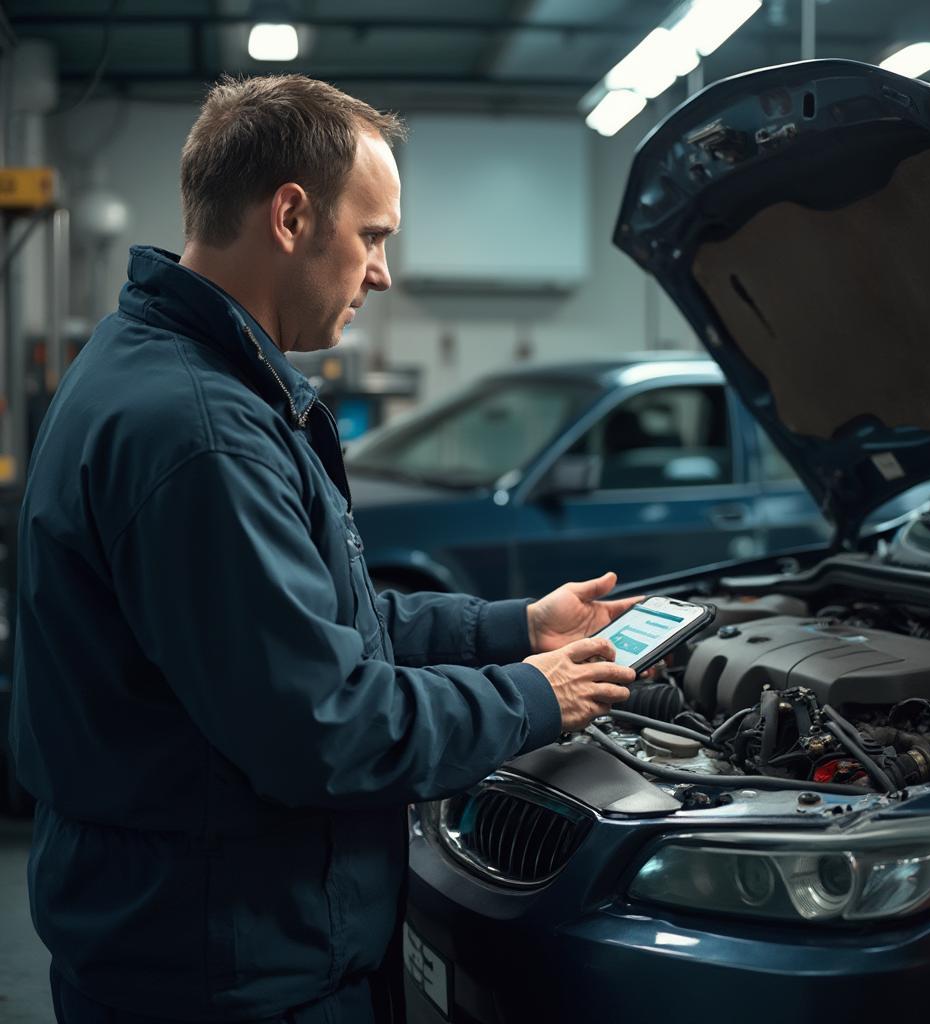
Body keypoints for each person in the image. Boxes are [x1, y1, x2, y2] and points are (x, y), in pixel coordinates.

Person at [10, 74, 640, 1024]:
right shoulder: (202, 432)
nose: (382, 272)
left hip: (200, 931)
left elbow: (325, 622)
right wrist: (530, 698)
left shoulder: (161, 365)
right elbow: (325, 725)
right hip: (224, 964)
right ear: (292, 216)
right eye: (375, 235)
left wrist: (516, 625)